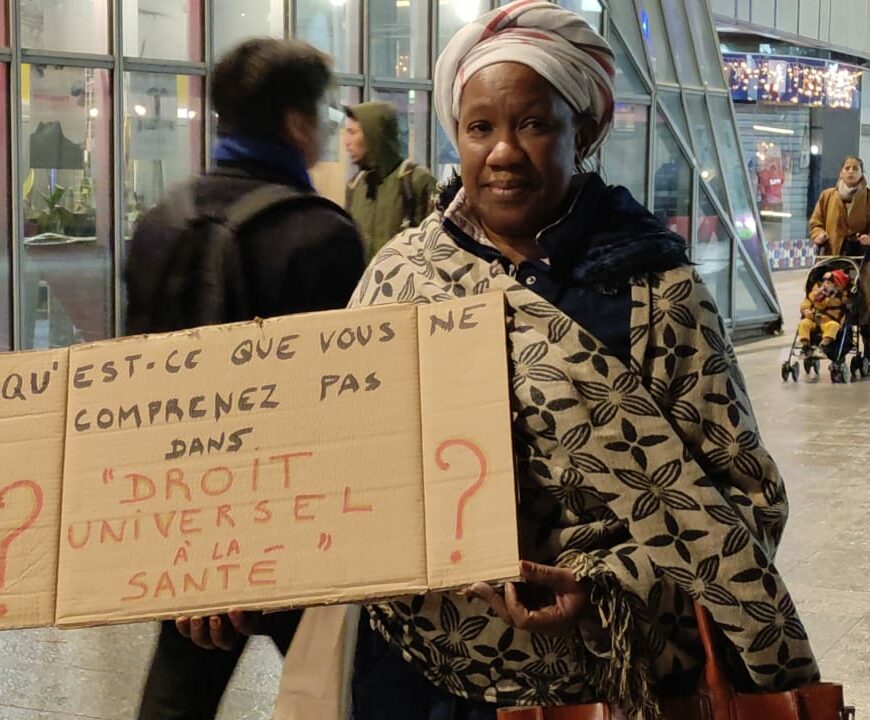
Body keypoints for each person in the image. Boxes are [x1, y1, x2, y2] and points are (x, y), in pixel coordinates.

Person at [182, 3, 820, 717]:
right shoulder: (401, 279)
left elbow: (747, 504)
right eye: (480, 128)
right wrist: (239, 568)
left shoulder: (653, 292)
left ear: (588, 129)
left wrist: (607, 585)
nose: (504, 152)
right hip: (409, 680)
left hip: (598, 686)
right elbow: (332, 465)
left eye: (535, 124)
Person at [125, 37, 365, 720]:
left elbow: (130, 389)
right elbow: (340, 410)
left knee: (177, 693)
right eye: (321, 112)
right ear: (294, 123)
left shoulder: (158, 223)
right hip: (299, 525)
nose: (326, 127)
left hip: (183, 511)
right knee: (345, 685)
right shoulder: (322, 234)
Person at [343, 101, 436, 260]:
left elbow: (437, 246)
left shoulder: (416, 181)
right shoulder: (355, 186)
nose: (346, 142)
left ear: (373, 134)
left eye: (352, 132)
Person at [809, 155, 870, 256]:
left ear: (861, 174)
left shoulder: (868, 197)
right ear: (841, 173)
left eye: (855, 168)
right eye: (847, 168)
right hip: (831, 256)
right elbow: (815, 222)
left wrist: (868, 239)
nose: (851, 171)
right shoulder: (827, 196)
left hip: (861, 258)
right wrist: (819, 234)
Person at [798, 269, 850, 353]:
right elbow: (806, 302)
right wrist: (806, 310)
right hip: (813, 320)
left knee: (834, 325)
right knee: (803, 323)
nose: (825, 285)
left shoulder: (841, 297)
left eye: (828, 283)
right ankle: (806, 346)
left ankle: (823, 345)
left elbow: (847, 302)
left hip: (828, 323)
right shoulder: (816, 293)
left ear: (836, 285)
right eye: (824, 282)